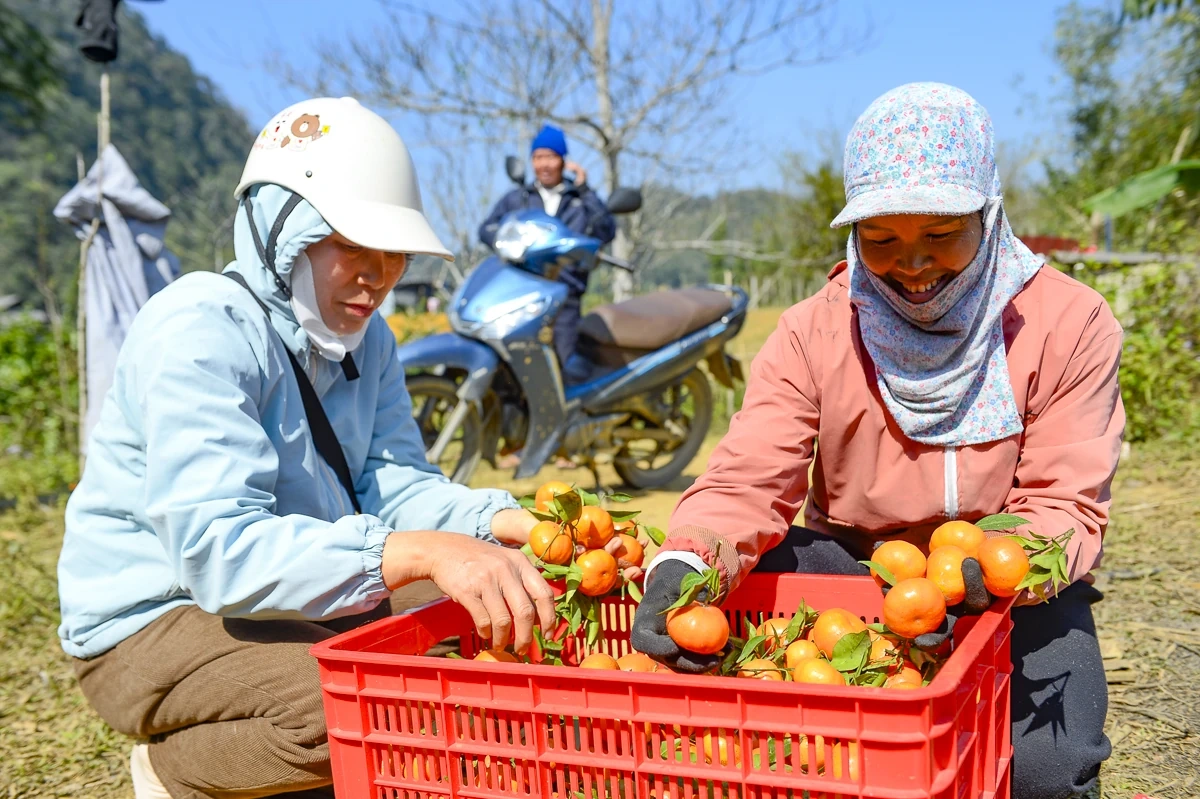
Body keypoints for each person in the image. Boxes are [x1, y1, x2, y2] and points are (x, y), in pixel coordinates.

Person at [57, 97, 639, 799]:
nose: (381, 272)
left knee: (479, 616)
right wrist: (420, 552)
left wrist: (506, 524)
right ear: (282, 231)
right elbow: (218, 550)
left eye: (394, 251)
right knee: (348, 708)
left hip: (284, 597)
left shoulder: (371, 342)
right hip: (157, 617)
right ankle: (175, 767)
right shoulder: (200, 328)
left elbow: (395, 482)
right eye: (353, 245)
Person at [631, 83, 1122, 799]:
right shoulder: (814, 331)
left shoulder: (1067, 322)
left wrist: (1001, 563)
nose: (913, 265)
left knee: (1047, 771)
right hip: (853, 573)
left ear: (988, 214)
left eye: (942, 234)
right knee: (771, 575)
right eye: (882, 240)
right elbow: (749, 478)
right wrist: (688, 558)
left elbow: (1065, 499)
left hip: (1008, 588)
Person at [479, 124, 616, 368]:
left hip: (566, 299)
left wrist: (586, 190)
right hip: (523, 297)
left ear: (563, 161)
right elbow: (487, 229)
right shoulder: (518, 199)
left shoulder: (578, 201)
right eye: (538, 157)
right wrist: (511, 246)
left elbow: (606, 230)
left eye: (551, 156)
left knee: (565, 368)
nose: (544, 164)